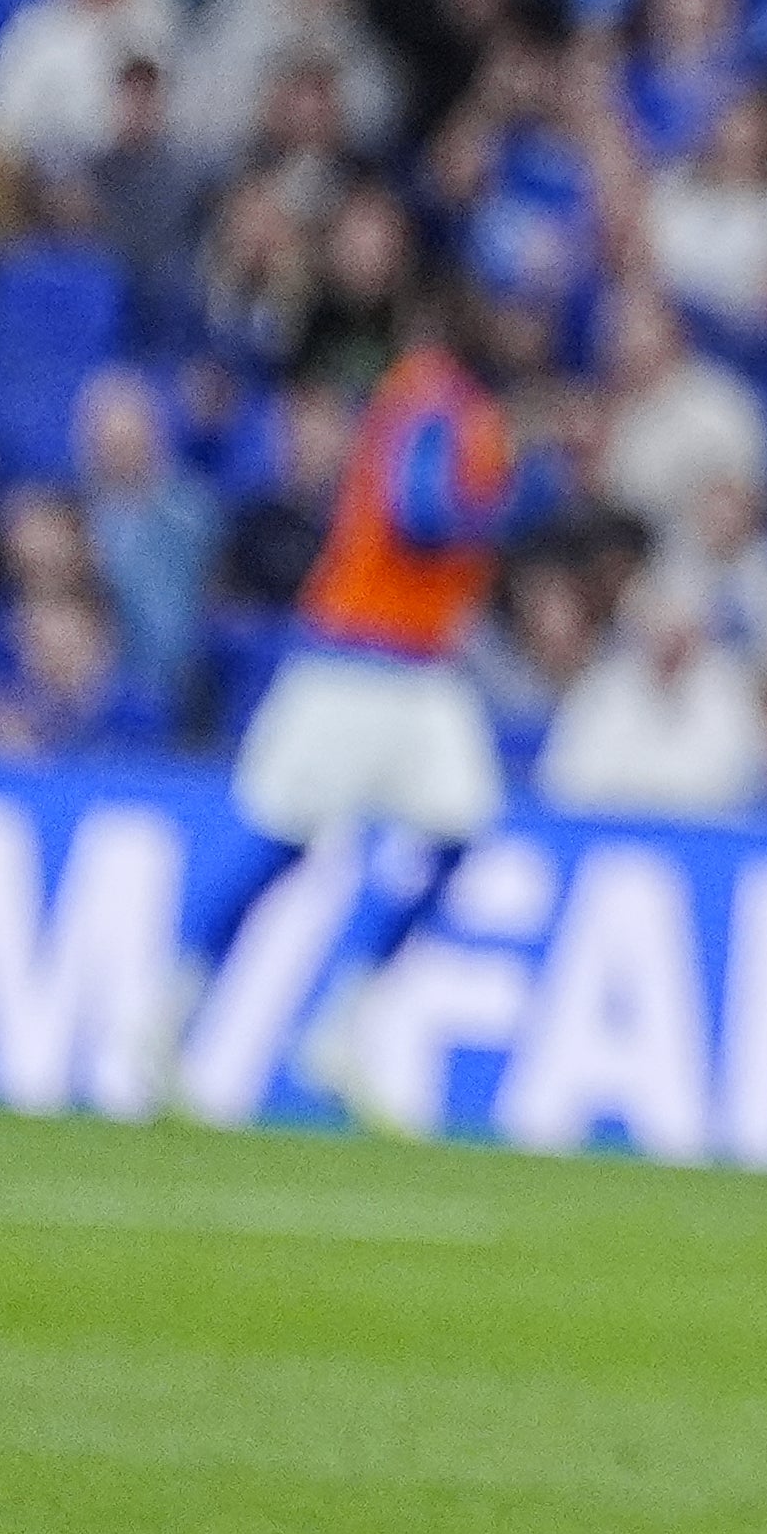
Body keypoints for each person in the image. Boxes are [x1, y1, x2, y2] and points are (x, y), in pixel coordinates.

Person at [184, 271, 514, 1117]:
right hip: (355, 660)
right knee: (283, 844)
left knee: (455, 831)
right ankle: (166, 1010)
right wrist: (501, 506)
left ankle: (343, 1026)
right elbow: (419, 515)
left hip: (420, 669)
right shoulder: (436, 403)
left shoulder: (444, 404)